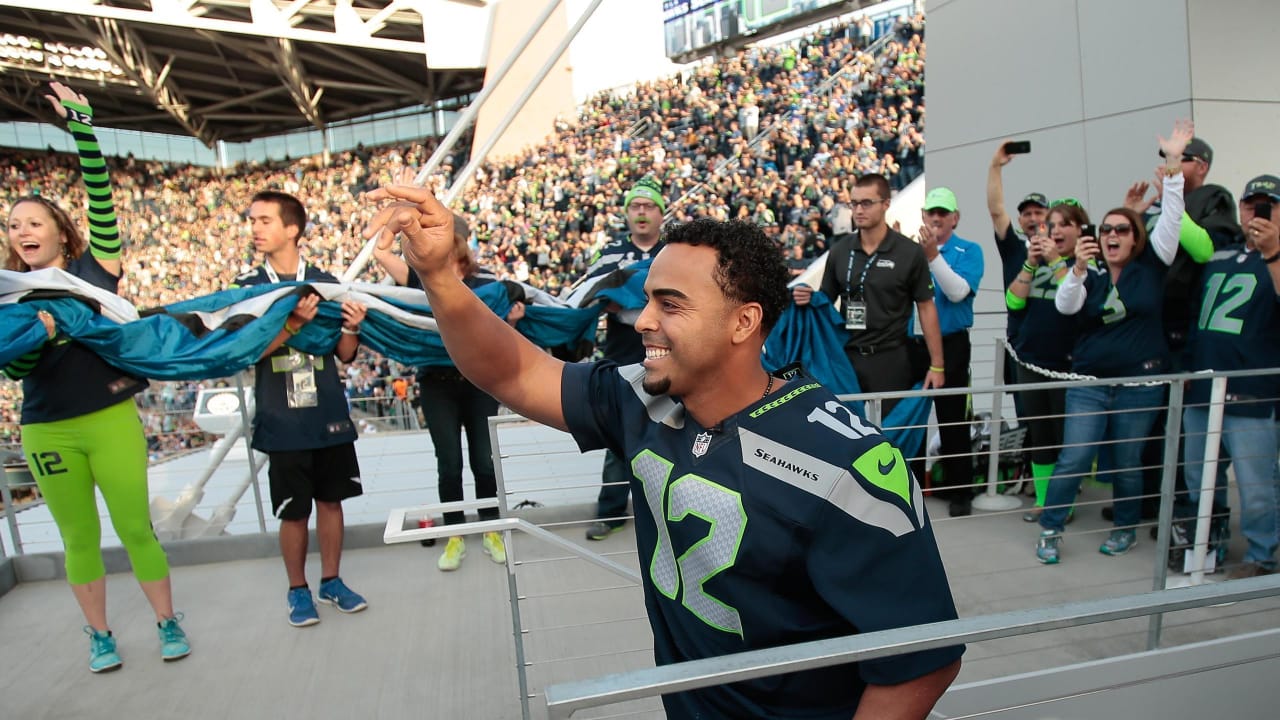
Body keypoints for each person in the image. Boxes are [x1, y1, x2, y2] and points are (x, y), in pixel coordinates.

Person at [365, 183, 964, 719]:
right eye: (649, 298)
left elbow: (922, 659)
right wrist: (441, 277)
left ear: (743, 322)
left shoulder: (848, 466)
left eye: (670, 304)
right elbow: (513, 373)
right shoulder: (639, 395)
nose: (644, 319)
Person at [2, 83, 190, 671]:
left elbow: (102, 197)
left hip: (109, 419)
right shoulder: (9, 299)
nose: (22, 231)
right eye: (12, 225)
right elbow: (15, 366)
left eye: (33, 221)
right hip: (47, 431)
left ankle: (166, 621)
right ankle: (100, 635)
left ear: (61, 230)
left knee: (136, 528)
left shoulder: (95, 271)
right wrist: (31, 335)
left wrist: (83, 129)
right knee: (77, 540)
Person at [1035, 121, 1198, 565]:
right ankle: (1051, 527)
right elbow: (1067, 308)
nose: (1112, 235)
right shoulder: (1088, 271)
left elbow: (1174, 216)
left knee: (1128, 460)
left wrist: (1172, 163)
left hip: (1141, 384)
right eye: (1106, 228)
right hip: (1089, 382)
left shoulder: (1153, 263)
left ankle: (1125, 526)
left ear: (1136, 236)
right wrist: (1079, 270)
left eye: (1122, 230)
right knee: (1075, 457)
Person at [231, 190, 369, 626]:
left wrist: (352, 327)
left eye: (265, 220)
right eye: (252, 220)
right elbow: (247, 352)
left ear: (292, 228)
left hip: (327, 414)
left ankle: (332, 581)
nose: (255, 228)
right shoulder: (248, 289)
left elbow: (345, 354)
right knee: (294, 511)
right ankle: (297, 591)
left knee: (332, 502)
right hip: (282, 419)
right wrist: (292, 325)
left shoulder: (326, 283)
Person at [372, 207, 513, 571]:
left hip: (479, 382)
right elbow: (380, 252)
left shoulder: (487, 286)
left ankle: (491, 529)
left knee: (484, 462)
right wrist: (398, 215)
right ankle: (454, 534)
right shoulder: (423, 283)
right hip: (436, 383)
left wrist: (513, 315)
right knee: (449, 464)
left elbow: (505, 319)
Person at [1178, 174, 1280, 579]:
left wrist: (1272, 252)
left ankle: (1262, 555)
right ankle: (1208, 546)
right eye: (1250, 204)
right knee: (1199, 478)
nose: (1256, 212)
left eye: (1267, 206)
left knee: (1256, 487)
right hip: (1203, 388)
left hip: (1252, 394)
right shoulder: (1220, 253)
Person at [793, 174, 944, 421]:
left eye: (866, 203)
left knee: (888, 439)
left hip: (891, 359)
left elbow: (926, 308)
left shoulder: (909, 252)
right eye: (854, 204)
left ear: (886, 204)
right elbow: (825, 301)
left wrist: (937, 365)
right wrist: (806, 297)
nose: (858, 210)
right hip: (846, 359)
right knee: (845, 433)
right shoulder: (840, 250)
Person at [580, 177, 667, 541]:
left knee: (671, 425)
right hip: (622, 351)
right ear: (627, 213)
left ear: (662, 213)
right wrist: (611, 300)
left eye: (649, 206)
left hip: (667, 350)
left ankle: (667, 506)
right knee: (620, 429)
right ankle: (611, 510)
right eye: (636, 206)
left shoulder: (674, 249)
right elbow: (590, 289)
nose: (642, 213)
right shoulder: (612, 252)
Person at [1005, 202, 1088, 522]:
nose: (1056, 230)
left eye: (1066, 224)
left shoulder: (1084, 266)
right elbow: (1013, 302)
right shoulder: (1036, 263)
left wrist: (1055, 261)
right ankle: (1043, 500)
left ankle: (1062, 502)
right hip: (1030, 361)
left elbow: (1076, 301)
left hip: (1067, 364)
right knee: (1040, 434)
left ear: (1080, 229)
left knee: (1064, 436)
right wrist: (1029, 263)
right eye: (1052, 224)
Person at [914, 187, 984, 516]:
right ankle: (912, 487)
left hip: (952, 343)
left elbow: (957, 292)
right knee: (911, 419)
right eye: (932, 212)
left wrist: (932, 256)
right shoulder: (909, 252)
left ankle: (960, 492)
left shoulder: (970, 250)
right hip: (914, 343)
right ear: (924, 216)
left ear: (955, 218)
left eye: (944, 213)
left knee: (953, 420)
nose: (937, 218)